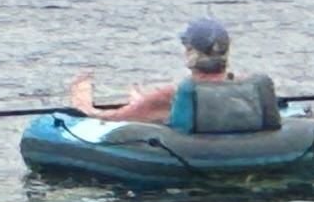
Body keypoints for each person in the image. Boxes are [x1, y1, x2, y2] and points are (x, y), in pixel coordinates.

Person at [72, 16, 275, 132]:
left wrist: (82, 101)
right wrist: (144, 103)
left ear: (190, 52)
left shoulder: (173, 94)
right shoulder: (246, 86)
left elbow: (107, 119)